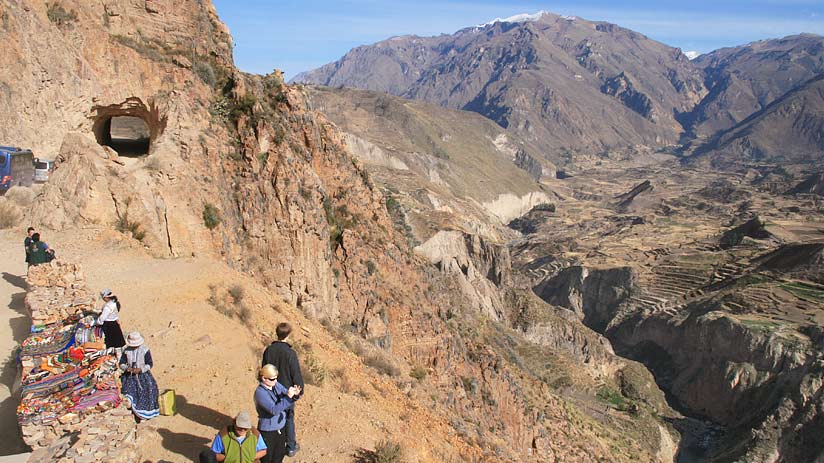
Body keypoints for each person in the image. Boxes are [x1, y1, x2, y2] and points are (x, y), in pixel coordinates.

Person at [261, 322, 304, 457]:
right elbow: (295, 373)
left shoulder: (269, 350)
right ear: (288, 334)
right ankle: (290, 446)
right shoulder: (290, 353)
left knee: (271, 415)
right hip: (287, 392)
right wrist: (299, 390)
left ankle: (269, 445)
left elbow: (264, 369)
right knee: (288, 418)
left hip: (270, 389)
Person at [255, 364, 300, 463]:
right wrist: (288, 397)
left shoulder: (275, 385)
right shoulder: (260, 393)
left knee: (279, 455)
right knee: (267, 458)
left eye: (276, 378)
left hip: (280, 428)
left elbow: (285, 393)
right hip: (268, 431)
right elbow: (274, 410)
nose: (275, 381)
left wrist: (295, 394)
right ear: (263, 378)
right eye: (272, 379)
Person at [119, 331, 160, 421]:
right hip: (130, 376)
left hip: (143, 376)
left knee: (149, 389)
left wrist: (140, 369)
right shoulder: (126, 351)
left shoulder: (145, 350)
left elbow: (150, 364)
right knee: (128, 392)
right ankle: (133, 412)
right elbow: (121, 363)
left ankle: (145, 413)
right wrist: (127, 368)